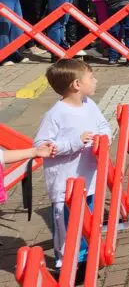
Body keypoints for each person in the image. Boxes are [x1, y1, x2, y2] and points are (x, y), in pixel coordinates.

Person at [35, 59, 111, 267]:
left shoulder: (89, 104)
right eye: (91, 77)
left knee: (89, 221)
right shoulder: (55, 115)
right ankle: (67, 262)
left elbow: (103, 125)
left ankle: (86, 257)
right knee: (66, 225)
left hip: (89, 179)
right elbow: (43, 146)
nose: (95, 80)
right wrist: (75, 143)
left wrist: (103, 137)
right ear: (77, 84)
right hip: (65, 185)